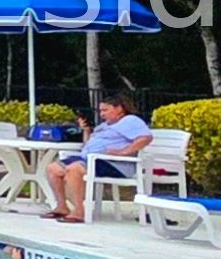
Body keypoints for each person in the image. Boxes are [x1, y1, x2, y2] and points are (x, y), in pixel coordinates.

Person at [50, 93, 152, 221]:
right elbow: (88, 145)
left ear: (119, 109)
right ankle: (62, 207)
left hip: (112, 163)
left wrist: (123, 151)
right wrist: (86, 131)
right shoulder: (104, 125)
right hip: (90, 159)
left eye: (105, 110)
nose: (102, 114)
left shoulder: (130, 120)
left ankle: (79, 212)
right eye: (101, 111)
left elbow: (145, 137)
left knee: (74, 169)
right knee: (53, 168)